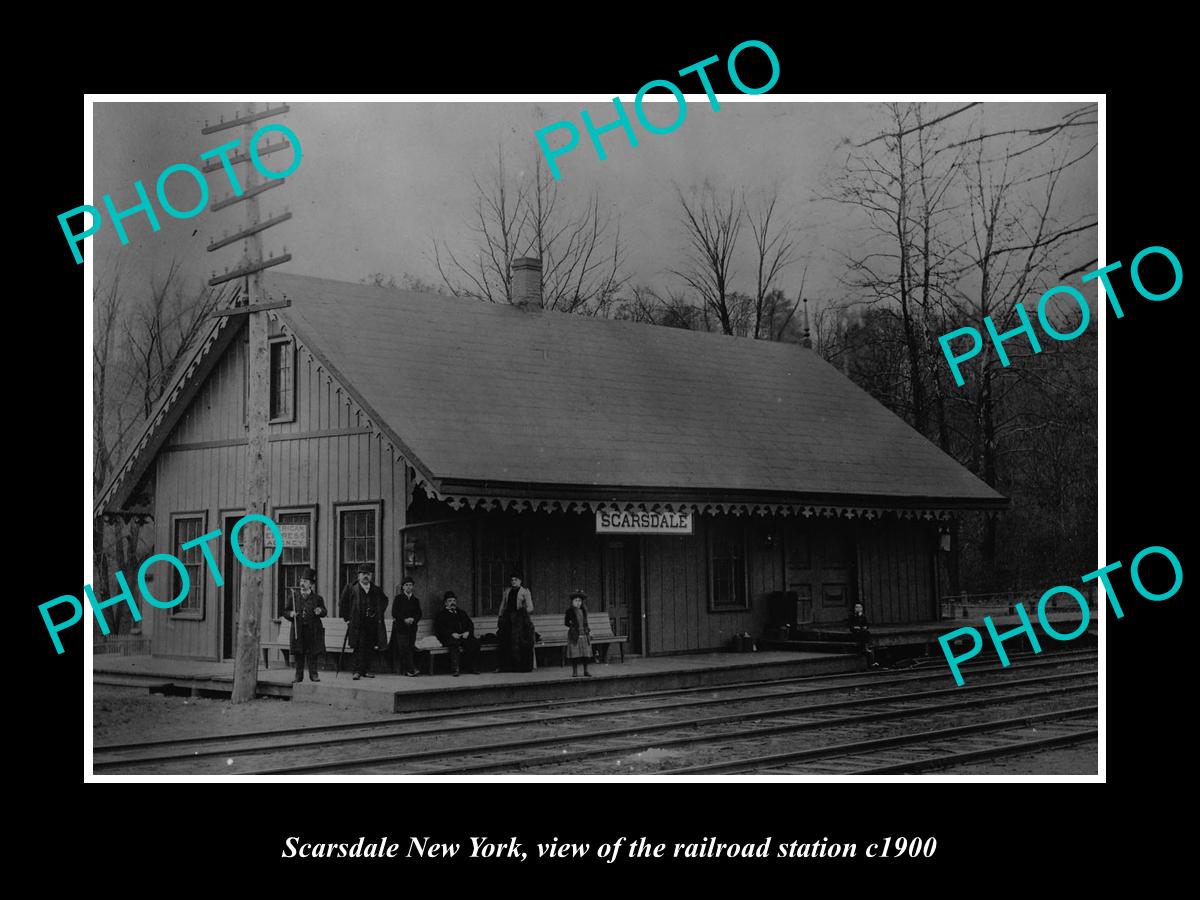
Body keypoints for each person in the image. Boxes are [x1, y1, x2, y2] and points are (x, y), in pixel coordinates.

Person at [341, 563, 388, 680]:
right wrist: (347, 619)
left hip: (371, 624)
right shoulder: (351, 588)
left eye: (368, 574)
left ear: (371, 576)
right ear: (358, 576)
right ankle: (357, 671)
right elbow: (343, 604)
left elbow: (384, 601)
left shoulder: (376, 590)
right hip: (357, 623)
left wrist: (378, 613)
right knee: (358, 647)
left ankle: (366, 670)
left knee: (370, 647)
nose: (366, 576)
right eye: (363, 574)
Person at [282, 566, 326, 683]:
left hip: (313, 630)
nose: (302, 584)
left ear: (311, 584)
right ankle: (298, 676)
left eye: (305, 582)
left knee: (313, 653)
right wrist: (291, 614)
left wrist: (320, 611)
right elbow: (285, 611)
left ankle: (314, 675)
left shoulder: (317, 598)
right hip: (298, 629)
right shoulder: (293, 596)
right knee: (299, 653)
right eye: (301, 581)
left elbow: (324, 611)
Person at [497, 572, 536, 672]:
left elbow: (530, 607)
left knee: (517, 641)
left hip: (520, 620)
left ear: (520, 581)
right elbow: (503, 605)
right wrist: (500, 616)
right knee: (506, 640)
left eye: (516, 580)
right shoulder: (507, 591)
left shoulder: (525, 591)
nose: (513, 582)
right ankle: (506, 666)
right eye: (512, 580)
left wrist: (522, 613)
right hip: (508, 619)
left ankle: (520, 666)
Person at [433, 591, 480, 676]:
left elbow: (470, 624)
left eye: (454, 601)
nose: (452, 603)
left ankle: (473, 667)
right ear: (445, 603)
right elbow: (439, 628)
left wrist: (468, 632)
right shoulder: (441, 614)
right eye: (450, 601)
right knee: (454, 644)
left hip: (462, 636)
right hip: (448, 637)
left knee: (474, 643)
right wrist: (451, 634)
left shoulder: (461, 612)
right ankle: (455, 669)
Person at [388, 575, 422, 676]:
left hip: (412, 628)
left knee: (410, 647)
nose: (408, 587)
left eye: (410, 585)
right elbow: (394, 612)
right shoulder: (398, 599)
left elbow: (419, 613)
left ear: (413, 587)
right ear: (403, 587)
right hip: (401, 628)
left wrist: (413, 619)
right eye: (406, 585)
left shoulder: (415, 600)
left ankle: (407, 670)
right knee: (404, 648)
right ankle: (411, 669)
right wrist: (404, 619)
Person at [564, 589, 593, 677]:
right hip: (574, 634)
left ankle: (586, 670)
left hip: (584, 633)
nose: (578, 603)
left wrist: (588, 631)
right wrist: (572, 626)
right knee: (575, 653)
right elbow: (566, 623)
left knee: (585, 653)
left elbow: (586, 622)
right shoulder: (570, 611)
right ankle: (575, 671)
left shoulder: (584, 611)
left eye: (579, 601)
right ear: (572, 602)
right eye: (576, 601)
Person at [848, 601, 875, 667]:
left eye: (859, 607)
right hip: (856, 632)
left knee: (866, 632)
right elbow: (850, 625)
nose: (858, 608)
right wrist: (855, 627)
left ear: (862, 608)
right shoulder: (852, 616)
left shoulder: (863, 616)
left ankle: (866, 647)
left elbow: (866, 625)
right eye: (856, 607)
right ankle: (865, 647)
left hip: (862, 630)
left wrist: (865, 627)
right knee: (862, 634)